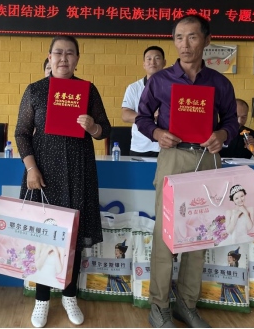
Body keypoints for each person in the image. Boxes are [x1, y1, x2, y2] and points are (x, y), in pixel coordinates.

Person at [135, 14, 239, 328]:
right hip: (174, 157)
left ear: (207, 40)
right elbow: (142, 117)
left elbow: (231, 120)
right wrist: (157, 133)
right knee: (166, 234)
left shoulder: (219, 82)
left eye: (192, 37)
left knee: (200, 234)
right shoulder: (161, 80)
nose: (185, 44)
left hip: (207, 159)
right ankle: (159, 306)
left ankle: (187, 304)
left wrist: (223, 134)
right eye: (179, 37)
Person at [15, 35, 111, 328]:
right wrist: (31, 169)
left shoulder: (87, 90)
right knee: (44, 237)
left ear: (77, 59)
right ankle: (42, 299)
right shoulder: (36, 90)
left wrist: (93, 127)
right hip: (43, 173)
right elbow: (21, 133)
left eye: (70, 53)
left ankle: (70, 295)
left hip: (79, 171)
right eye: (58, 53)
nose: (64, 58)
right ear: (49, 57)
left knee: (73, 239)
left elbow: (104, 130)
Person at [121, 46, 166, 157]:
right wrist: (149, 117)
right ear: (144, 64)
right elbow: (125, 115)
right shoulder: (134, 87)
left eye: (157, 58)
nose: (152, 62)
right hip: (140, 147)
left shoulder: (172, 87)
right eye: (149, 59)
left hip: (166, 147)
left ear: (164, 62)